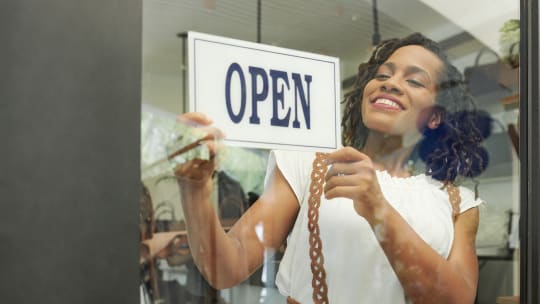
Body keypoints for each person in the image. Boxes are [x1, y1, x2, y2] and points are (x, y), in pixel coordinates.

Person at [173, 33, 489, 304]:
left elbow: (457, 298)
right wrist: (195, 190)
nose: (390, 84)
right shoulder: (308, 163)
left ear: (435, 117)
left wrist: (378, 209)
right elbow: (226, 268)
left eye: (414, 80)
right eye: (382, 75)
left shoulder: (458, 203)